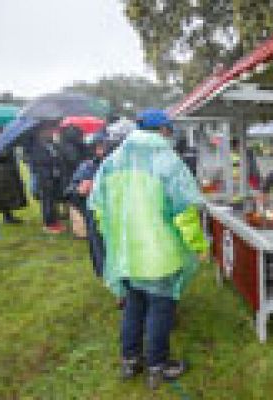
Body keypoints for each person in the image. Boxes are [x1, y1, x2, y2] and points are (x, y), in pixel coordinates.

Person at [88, 109, 208, 389]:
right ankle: (158, 364)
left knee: (133, 305)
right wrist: (198, 245)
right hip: (158, 255)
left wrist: (116, 243)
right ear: (163, 130)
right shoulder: (167, 161)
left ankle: (130, 360)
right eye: (169, 129)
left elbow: (98, 210)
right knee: (159, 308)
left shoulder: (112, 161)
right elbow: (184, 212)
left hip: (125, 253)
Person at [66, 133, 110, 278]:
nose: (101, 150)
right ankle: (112, 284)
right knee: (100, 248)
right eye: (98, 147)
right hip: (96, 215)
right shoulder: (87, 167)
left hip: (118, 215)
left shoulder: (122, 166)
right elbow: (70, 192)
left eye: (104, 146)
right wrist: (79, 189)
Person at [31, 122, 65, 233]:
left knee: (52, 199)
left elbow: (57, 156)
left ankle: (54, 221)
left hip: (53, 175)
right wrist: (52, 159)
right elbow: (38, 162)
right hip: (44, 176)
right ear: (41, 133)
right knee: (47, 200)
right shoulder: (36, 146)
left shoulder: (50, 144)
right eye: (48, 131)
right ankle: (48, 224)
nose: (51, 132)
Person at [0, 126, 27, 224]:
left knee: (4, 192)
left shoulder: (2, 133)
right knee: (1, 191)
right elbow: (0, 153)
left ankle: (8, 216)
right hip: (1, 166)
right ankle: (7, 217)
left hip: (4, 165)